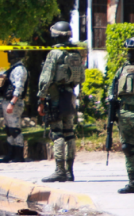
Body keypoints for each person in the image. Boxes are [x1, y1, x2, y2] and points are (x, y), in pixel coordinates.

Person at [37, 21, 85, 182]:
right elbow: (81, 77)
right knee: (70, 134)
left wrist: (41, 99)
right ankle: (70, 171)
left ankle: (59, 170)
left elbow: (46, 78)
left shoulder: (55, 53)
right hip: (70, 96)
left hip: (56, 97)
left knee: (57, 133)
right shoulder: (76, 53)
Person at [108, 36, 134, 194]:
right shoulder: (122, 69)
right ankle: (133, 183)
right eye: (128, 51)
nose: (129, 54)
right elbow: (112, 87)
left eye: (132, 51)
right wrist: (111, 99)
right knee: (127, 148)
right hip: (124, 114)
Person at [0, 48, 28, 163]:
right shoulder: (13, 68)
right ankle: (10, 153)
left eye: (10, 54)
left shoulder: (19, 69)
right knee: (9, 130)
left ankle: (19, 155)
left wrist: (12, 103)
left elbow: (19, 87)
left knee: (15, 129)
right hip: (8, 101)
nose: (8, 56)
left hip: (14, 103)